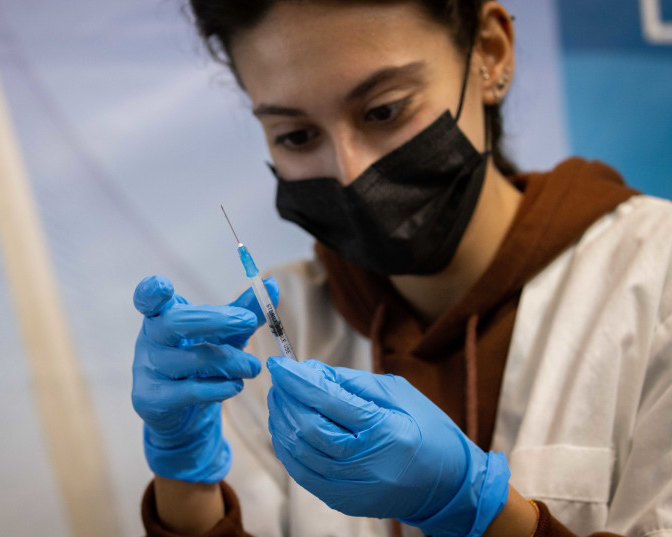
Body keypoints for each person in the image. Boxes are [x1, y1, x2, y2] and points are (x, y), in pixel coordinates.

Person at [131, 1, 672, 536]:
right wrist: (186, 481)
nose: (348, 172)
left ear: (490, 52)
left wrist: (481, 512)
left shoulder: (656, 276)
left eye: (384, 109)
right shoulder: (271, 331)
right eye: (296, 136)